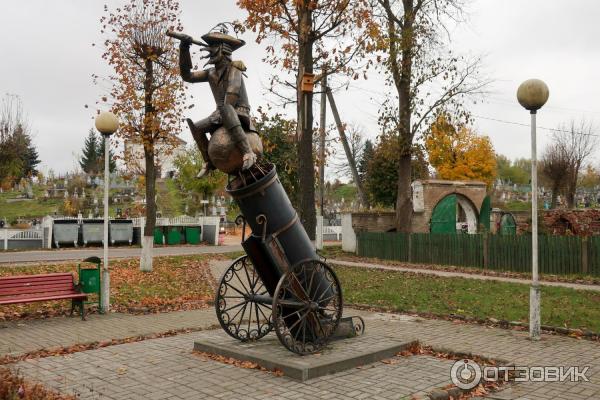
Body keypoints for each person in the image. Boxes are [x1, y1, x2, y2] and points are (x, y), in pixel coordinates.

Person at [178, 29, 257, 178]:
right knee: (197, 127)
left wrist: (222, 112)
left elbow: (232, 94)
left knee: (227, 109)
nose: (210, 50)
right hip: (222, 113)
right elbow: (187, 76)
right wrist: (184, 48)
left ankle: (248, 152)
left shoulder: (235, 68)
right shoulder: (210, 73)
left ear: (224, 49)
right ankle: (209, 162)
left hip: (238, 111)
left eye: (214, 46)